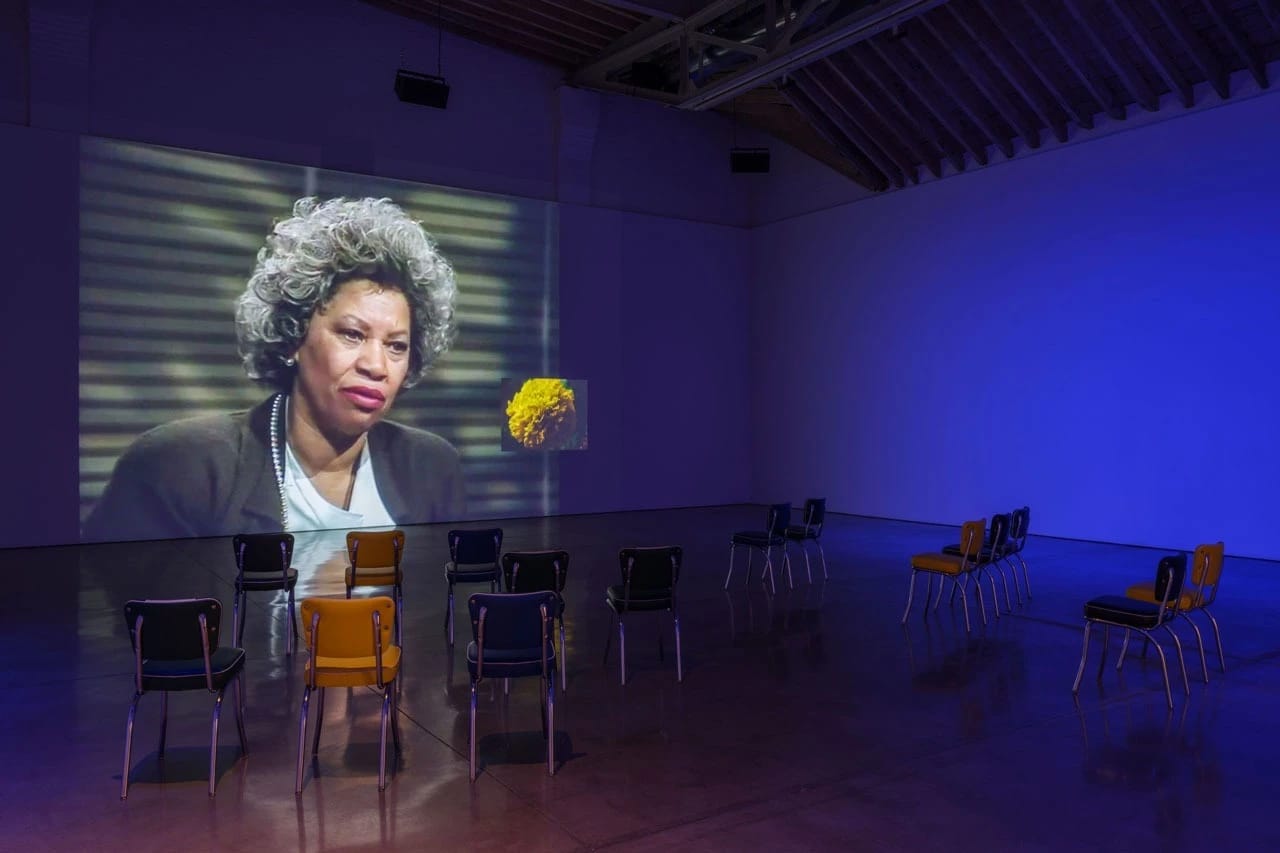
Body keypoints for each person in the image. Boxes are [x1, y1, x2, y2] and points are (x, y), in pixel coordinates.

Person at [82, 197, 465, 542]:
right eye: (351, 334)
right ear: (293, 335)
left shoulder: (430, 466)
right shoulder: (182, 466)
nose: (376, 366)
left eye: (396, 345)